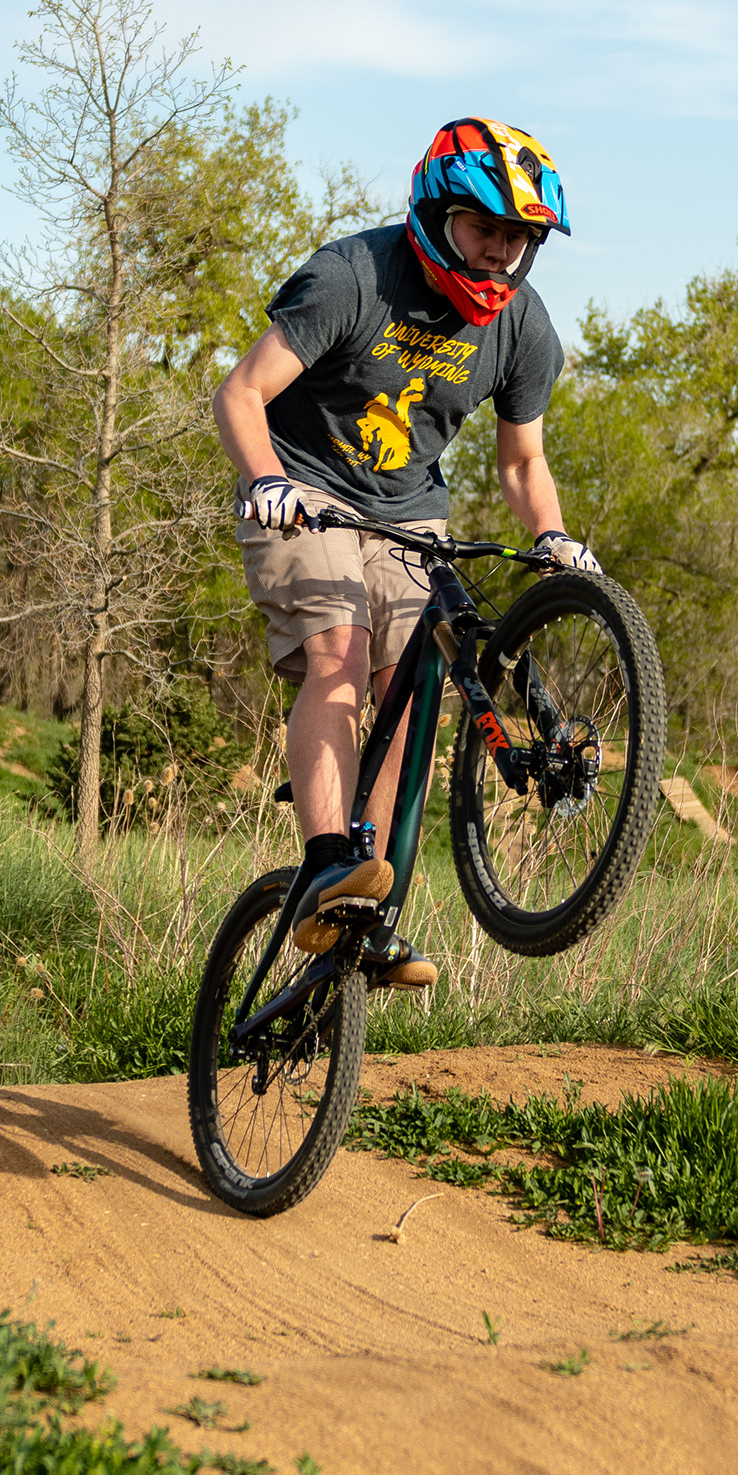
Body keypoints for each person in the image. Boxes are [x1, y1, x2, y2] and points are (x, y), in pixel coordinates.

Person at [213, 117, 600, 990]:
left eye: (518, 237)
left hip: (409, 511)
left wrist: (552, 536)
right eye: (483, 228)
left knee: (412, 691)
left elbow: (522, 461)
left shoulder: (522, 327)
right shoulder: (352, 277)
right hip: (302, 486)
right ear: (435, 214)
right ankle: (326, 864)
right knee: (340, 657)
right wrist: (267, 480)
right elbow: (240, 393)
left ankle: (367, 904)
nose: (500, 251)